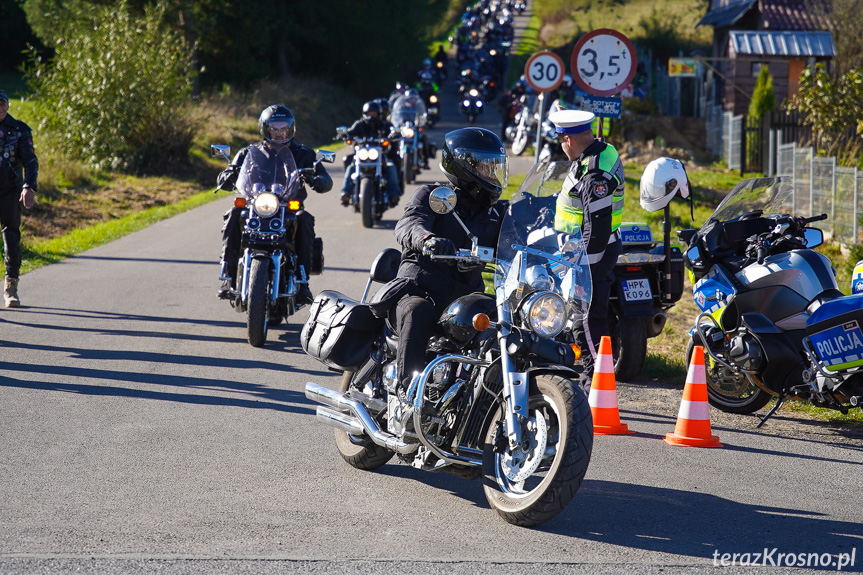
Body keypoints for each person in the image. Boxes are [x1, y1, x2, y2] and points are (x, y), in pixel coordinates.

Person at [389, 127, 508, 398]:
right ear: (465, 167)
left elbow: (520, 238)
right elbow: (409, 223)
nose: (493, 174)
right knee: (416, 312)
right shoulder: (433, 196)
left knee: (507, 324)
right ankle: (407, 394)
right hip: (420, 290)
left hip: (465, 300)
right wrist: (428, 239)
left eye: (496, 167)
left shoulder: (494, 213)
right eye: (486, 167)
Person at [216, 104, 332, 305]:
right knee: (235, 213)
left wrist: (318, 178)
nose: (279, 133)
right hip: (257, 206)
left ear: (291, 128)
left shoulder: (303, 153)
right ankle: (227, 275)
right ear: (265, 128)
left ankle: (303, 282)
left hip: (288, 207)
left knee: (304, 219)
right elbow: (227, 172)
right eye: (274, 128)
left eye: (284, 128)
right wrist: (229, 174)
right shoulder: (249, 152)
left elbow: (324, 178)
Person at [549, 109, 624, 389]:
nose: (560, 146)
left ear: (568, 139)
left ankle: (597, 384)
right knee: (587, 316)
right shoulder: (601, 151)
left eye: (559, 141)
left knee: (587, 319)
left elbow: (598, 227)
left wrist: (584, 270)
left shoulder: (595, 173)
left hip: (593, 255)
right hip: (584, 250)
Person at [0, 90, 38, 308]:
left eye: (2, 104)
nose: (0, 109)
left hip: (10, 191)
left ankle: (11, 288)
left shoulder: (19, 130)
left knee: (11, 238)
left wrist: (29, 186)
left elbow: (30, 161)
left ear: (7, 106)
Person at [338, 101, 402, 207]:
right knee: (351, 166)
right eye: (369, 113)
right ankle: (346, 193)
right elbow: (351, 132)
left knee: (391, 166)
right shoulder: (359, 124)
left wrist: (393, 135)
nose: (371, 116)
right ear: (365, 113)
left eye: (374, 114)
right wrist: (346, 134)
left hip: (381, 155)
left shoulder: (385, 125)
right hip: (362, 155)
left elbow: (392, 132)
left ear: (379, 114)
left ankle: (393, 194)